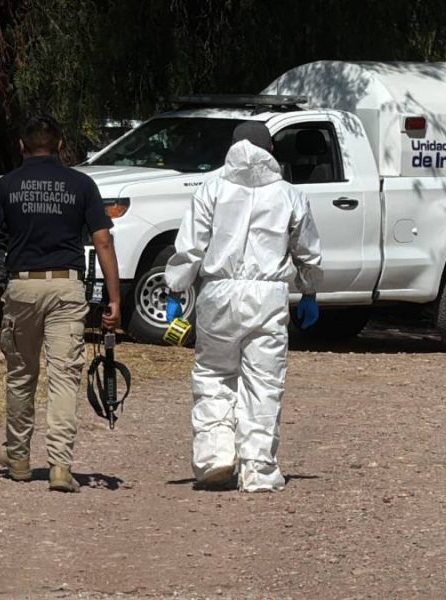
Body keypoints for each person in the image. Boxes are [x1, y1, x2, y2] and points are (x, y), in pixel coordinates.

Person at [0, 114, 121, 493]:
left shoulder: (6, 186)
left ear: (22, 148)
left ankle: (20, 459)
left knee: (22, 374)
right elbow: (103, 241)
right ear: (60, 146)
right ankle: (60, 466)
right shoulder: (81, 184)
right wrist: (115, 298)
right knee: (63, 377)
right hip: (66, 289)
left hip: (23, 289)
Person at [164, 121, 322, 493]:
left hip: (218, 293)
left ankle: (215, 455)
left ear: (231, 147)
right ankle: (258, 468)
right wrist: (310, 292)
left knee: (214, 374)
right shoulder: (290, 195)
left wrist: (175, 290)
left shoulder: (211, 188)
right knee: (264, 382)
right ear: (272, 149)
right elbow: (307, 251)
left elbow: (190, 246)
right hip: (268, 296)